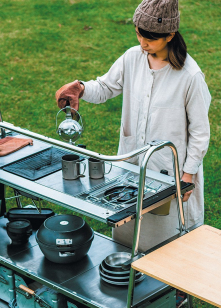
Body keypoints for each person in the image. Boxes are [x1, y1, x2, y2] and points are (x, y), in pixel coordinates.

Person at [55, 0, 211, 255]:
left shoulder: (190, 77)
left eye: (150, 38)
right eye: (138, 33)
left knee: (168, 247)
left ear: (170, 35)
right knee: (127, 239)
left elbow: (200, 133)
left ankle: (172, 294)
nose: (142, 43)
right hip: (131, 168)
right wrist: (81, 88)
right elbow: (106, 87)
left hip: (171, 174)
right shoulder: (132, 58)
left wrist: (188, 174)